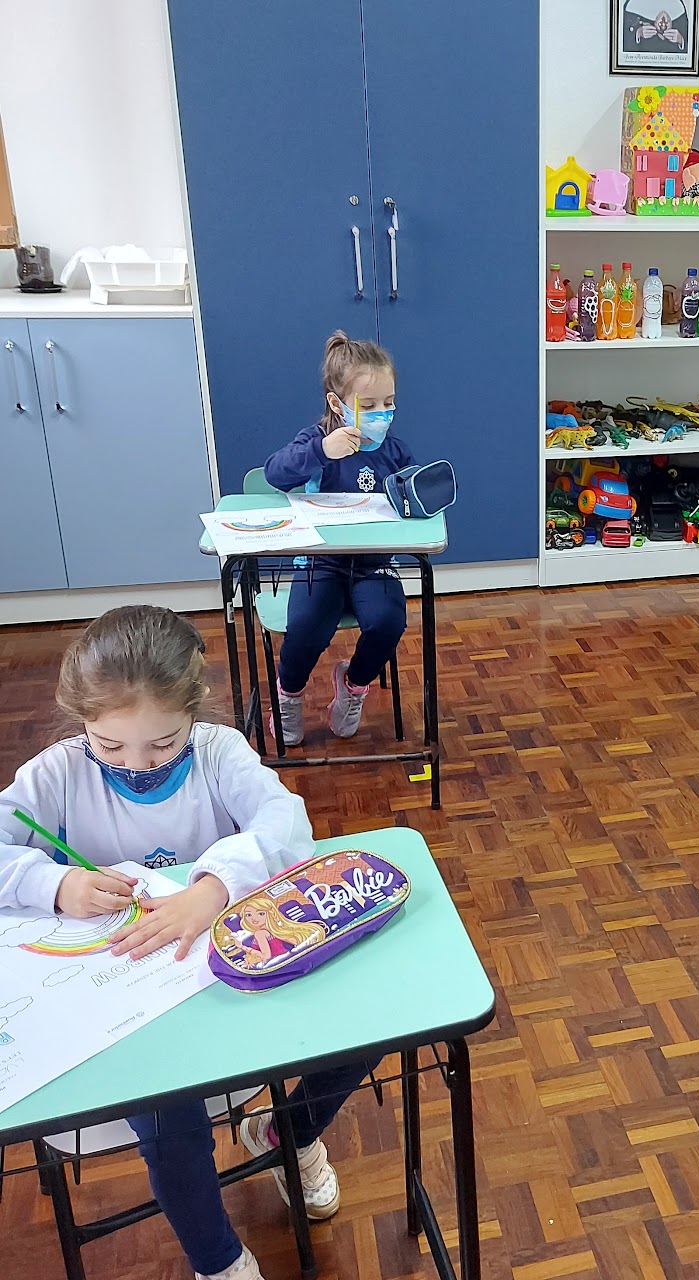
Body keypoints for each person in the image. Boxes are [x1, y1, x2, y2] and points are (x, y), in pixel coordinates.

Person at [0, 605, 371, 1280]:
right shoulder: (58, 773)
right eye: (109, 745)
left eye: (162, 744)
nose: (136, 765)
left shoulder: (218, 751)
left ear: (194, 711)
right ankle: (218, 1261)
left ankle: (286, 1133)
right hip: (128, 1006)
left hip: (229, 975)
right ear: (80, 721)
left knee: (368, 1026)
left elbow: (286, 823)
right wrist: (54, 883)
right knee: (170, 1113)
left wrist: (214, 886)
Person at [264, 331, 414, 745]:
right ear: (337, 403)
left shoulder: (394, 451)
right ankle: (288, 695)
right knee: (307, 627)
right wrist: (321, 452)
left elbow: (412, 498)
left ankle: (353, 686)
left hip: (374, 563)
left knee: (388, 622)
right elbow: (275, 473)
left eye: (389, 403)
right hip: (322, 563)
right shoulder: (317, 441)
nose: (382, 413)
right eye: (370, 405)